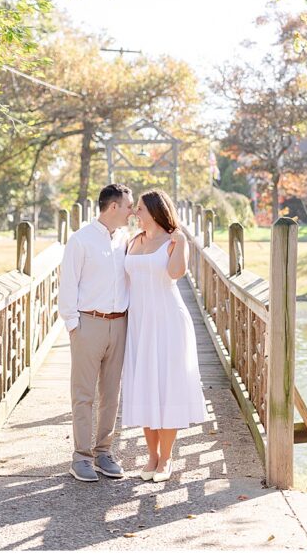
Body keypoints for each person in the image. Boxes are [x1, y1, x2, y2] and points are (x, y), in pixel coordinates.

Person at [121, 189, 206, 482]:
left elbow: (175, 273)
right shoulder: (132, 241)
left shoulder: (174, 240)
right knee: (145, 386)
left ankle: (166, 459)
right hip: (139, 324)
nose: (135, 214)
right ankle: (152, 457)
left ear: (156, 211)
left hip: (168, 320)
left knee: (167, 387)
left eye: (140, 209)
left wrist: (180, 242)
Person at [59, 183, 134, 482]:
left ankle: (104, 452)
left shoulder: (126, 239)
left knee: (111, 394)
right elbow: (68, 285)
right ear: (113, 207)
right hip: (89, 323)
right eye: (129, 206)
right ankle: (81, 457)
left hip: (120, 323)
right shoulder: (81, 240)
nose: (132, 212)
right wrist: (73, 325)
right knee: (84, 394)